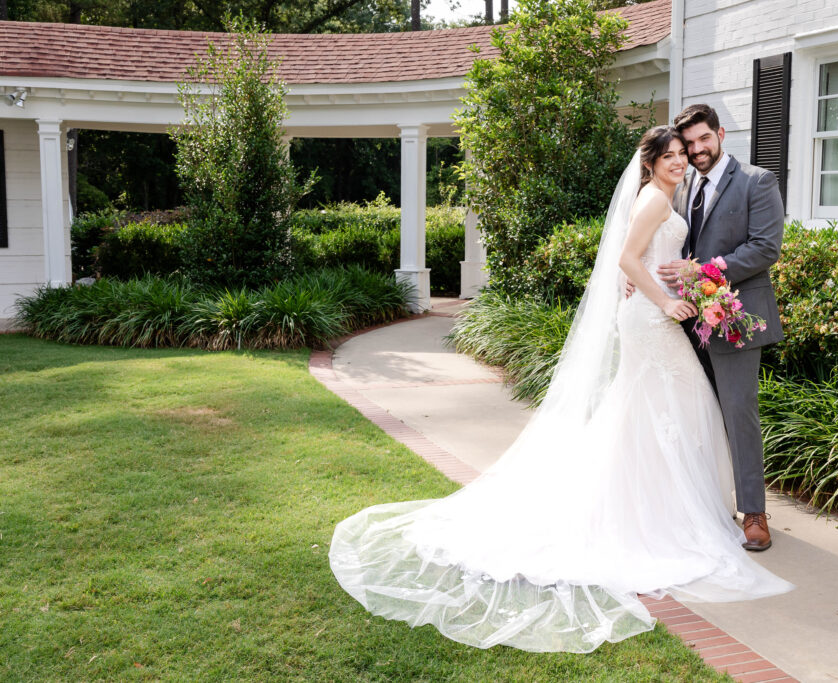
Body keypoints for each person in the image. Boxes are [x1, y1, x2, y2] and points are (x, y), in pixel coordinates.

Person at [328, 125, 793, 654]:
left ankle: (691, 507)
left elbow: (689, 252)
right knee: (655, 408)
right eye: (671, 155)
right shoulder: (654, 198)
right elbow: (627, 257)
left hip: (673, 315)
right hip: (654, 320)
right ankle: (653, 511)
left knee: (668, 409)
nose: (681, 161)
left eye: (684, 153)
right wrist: (659, 299)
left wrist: (671, 285)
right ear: (650, 163)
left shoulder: (689, 190)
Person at [659, 104, 786, 551]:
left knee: (738, 413)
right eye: (689, 144)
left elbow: (765, 248)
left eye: (703, 140)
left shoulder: (757, 181)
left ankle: (754, 513)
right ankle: (706, 504)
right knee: (695, 411)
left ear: (720, 134)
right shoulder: (682, 184)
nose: (696, 151)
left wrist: (707, 272)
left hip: (736, 318)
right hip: (686, 321)